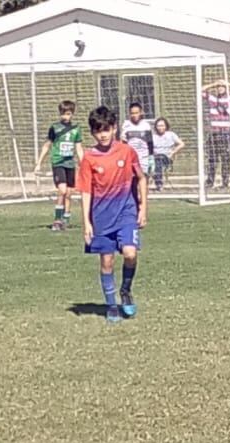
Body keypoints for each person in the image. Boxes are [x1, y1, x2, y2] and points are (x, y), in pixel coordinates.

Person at [77, 106, 149, 324]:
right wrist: (87, 222)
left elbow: (142, 178)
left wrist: (143, 208)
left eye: (106, 129)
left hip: (126, 213)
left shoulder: (126, 152)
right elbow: (86, 191)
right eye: (98, 131)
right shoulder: (89, 158)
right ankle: (111, 305)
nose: (103, 134)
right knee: (107, 262)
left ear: (115, 128)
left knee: (130, 253)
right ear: (93, 133)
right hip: (102, 218)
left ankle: (125, 290)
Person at [34, 100, 83, 232]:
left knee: (68, 193)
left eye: (68, 114)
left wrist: (83, 164)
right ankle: (57, 220)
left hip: (70, 164)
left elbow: (78, 148)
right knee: (62, 190)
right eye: (63, 114)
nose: (65, 117)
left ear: (72, 114)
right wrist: (39, 163)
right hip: (58, 162)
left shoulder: (76, 129)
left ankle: (66, 219)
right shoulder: (55, 128)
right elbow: (47, 145)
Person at [202, 81, 230, 190]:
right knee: (212, 158)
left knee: (225, 158)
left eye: (222, 87)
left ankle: (225, 183)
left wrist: (227, 83)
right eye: (219, 87)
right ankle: (210, 181)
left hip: (225, 132)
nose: (220, 88)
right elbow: (200, 90)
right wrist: (214, 84)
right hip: (214, 132)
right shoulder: (212, 99)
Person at [120, 102, 155, 181]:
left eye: (136, 113)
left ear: (141, 112)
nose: (134, 115)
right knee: (133, 182)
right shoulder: (126, 125)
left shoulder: (146, 125)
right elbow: (123, 143)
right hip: (131, 158)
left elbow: (150, 143)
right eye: (132, 113)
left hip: (143, 158)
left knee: (144, 181)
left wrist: (151, 158)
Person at [150, 118, 184, 192]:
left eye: (162, 125)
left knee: (159, 159)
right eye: (158, 126)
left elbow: (181, 144)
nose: (160, 127)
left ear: (166, 126)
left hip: (167, 158)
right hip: (155, 158)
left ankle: (159, 183)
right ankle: (158, 183)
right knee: (156, 160)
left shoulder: (171, 135)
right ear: (156, 127)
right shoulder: (153, 136)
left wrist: (173, 152)